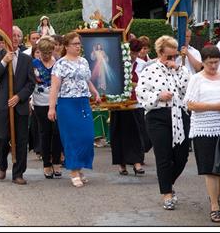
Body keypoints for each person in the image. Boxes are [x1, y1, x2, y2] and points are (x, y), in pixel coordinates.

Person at [137, 35, 190, 210]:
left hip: (179, 114)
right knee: (163, 156)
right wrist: (158, 96)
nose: (172, 59)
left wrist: (178, 69)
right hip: (157, 116)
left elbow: (188, 90)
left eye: (174, 56)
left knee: (182, 156)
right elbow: (141, 93)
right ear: (160, 53)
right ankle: (167, 193)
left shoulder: (180, 70)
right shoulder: (149, 70)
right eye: (168, 56)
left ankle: (167, 181)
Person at [48, 32, 102, 188]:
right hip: (67, 104)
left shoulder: (84, 62)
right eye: (75, 44)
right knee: (71, 138)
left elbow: (86, 80)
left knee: (87, 136)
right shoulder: (60, 64)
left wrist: (95, 92)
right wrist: (52, 108)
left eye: (79, 43)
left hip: (83, 102)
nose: (78, 46)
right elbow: (55, 87)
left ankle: (79, 167)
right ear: (66, 46)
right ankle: (74, 171)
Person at [183, 45, 220, 223]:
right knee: (210, 169)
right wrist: (217, 106)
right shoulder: (196, 79)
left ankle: (214, 196)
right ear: (203, 62)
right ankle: (215, 206)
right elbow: (191, 105)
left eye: (216, 62)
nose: (213, 66)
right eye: (210, 63)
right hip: (203, 129)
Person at [0, 26, 36, 185]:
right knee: (1, 138)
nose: (15, 38)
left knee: (22, 140)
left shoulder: (27, 59)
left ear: (21, 39)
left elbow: (31, 84)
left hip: (20, 106)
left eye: (18, 36)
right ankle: (2, 164)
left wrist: (19, 97)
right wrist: (4, 62)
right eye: (12, 35)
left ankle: (18, 173)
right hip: (3, 105)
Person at [110, 38, 146, 176]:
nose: (133, 56)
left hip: (135, 104)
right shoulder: (117, 62)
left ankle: (137, 162)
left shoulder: (142, 65)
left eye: (136, 53)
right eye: (131, 53)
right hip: (119, 103)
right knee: (119, 133)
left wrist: (135, 85)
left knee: (136, 133)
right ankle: (121, 163)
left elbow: (144, 83)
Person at [32, 37, 62, 179]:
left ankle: (56, 162)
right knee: (45, 132)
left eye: (49, 52)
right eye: (44, 53)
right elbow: (31, 82)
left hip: (56, 101)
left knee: (57, 132)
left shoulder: (58, 63)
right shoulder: (34, 64)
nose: (46, 55)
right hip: (40, 102)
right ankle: (46, 164)